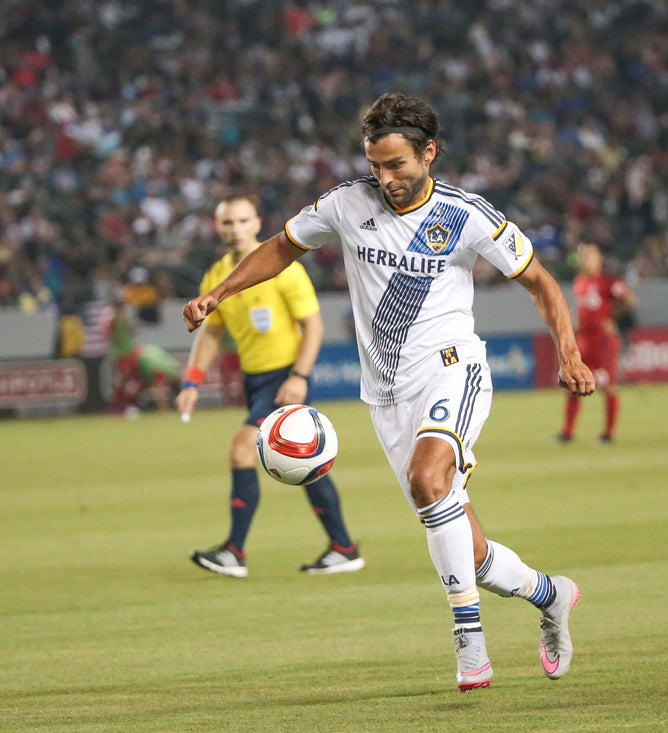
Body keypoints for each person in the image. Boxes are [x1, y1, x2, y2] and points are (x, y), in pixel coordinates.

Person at [182, 93, 595, 691]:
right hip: (386, 394)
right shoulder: (348, 203)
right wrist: (220, 294)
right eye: (376, 164)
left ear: (428, 153)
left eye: (396, 164)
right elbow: (278, 247)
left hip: (453, 366)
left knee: (430, 480)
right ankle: (550, 595)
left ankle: (469, 643)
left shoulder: (468, 214)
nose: (385, 177)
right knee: (464, 544)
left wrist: (570, 353)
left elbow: (541, 282)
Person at [177, 195, 363, 579]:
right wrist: (193, 381)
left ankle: (234, 552)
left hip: (283, 380)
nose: (235, 229)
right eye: (227, 222)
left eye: (242, 221)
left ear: (256, 222)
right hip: (255, 380)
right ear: (218, 226)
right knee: (305, 464)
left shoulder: (283, 269)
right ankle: (344, 547)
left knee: (242, 449)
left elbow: (314, 327)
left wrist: (299, 377)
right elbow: (212, 332)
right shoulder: (216, 278)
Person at [558, 242, 635, 444]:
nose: (586, 259)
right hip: (583, 339)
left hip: (603, 340)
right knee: (573, 383)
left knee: (608, 386)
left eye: (590, 255)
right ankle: (568, 432)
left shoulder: (608, 282)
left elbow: (629, 301)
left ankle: (608, 433)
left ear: (599, 258)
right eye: (583, 256)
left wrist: (610, 318)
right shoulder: (579, 281)